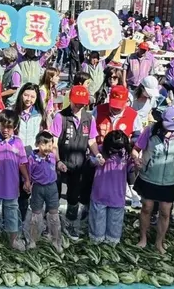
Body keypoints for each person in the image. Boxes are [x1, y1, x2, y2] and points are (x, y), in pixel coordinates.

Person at [132, 107, 174, 254]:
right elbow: (136, 149)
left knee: (165, 212)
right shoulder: (150, 131)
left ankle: (159, 242)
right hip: (149, 177)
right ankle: (143, 238)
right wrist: (136, 160)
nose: (171, 130)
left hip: (169, 180)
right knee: (147, 208)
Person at [48, 85, 96, 239]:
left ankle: (70, 223)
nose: (79, 106)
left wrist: (98, 154)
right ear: (70, 100)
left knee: (74, 197)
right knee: (54, 196)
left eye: (82, 104)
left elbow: (92, 140)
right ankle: (51, 225)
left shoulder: (89, 118)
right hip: (61, 163)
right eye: (76, 103)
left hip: (79, 164)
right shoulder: (60, 117)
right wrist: (58, 160)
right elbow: (53, 142)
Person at [0, 110, 30, 251]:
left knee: (12, 214)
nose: (6, 130)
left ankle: (13, 240)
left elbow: (22, 163)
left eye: (9, 127)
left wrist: (26, 179)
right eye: (3, 126)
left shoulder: (19, 143)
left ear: (15, 127)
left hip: (11, 187)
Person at [88, 129, 133, 245]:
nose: (116, 151)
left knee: (114, 230)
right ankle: (96, 240)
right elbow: (89, 161)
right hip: (100, 194)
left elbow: (131, 169)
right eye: (113, 149)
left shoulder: (125, 153)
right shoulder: (100, 150)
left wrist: (136, 165)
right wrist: (97, 161)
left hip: (117, 196)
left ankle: (111, 242)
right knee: (97, 232)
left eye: (119, 148)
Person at [24, 131, 64, 251]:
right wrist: (27, 183)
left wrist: (61, 165)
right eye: (43, 144)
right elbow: (28, 174)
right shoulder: (32, 158)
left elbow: (57, 165)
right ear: (37, 144)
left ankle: (56, 240)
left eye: (50, 144)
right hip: (38, 188)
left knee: (54, 215)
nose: (47, 148)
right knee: (36, 215)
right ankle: (33, 239)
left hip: (52, 188)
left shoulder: (52, 156)